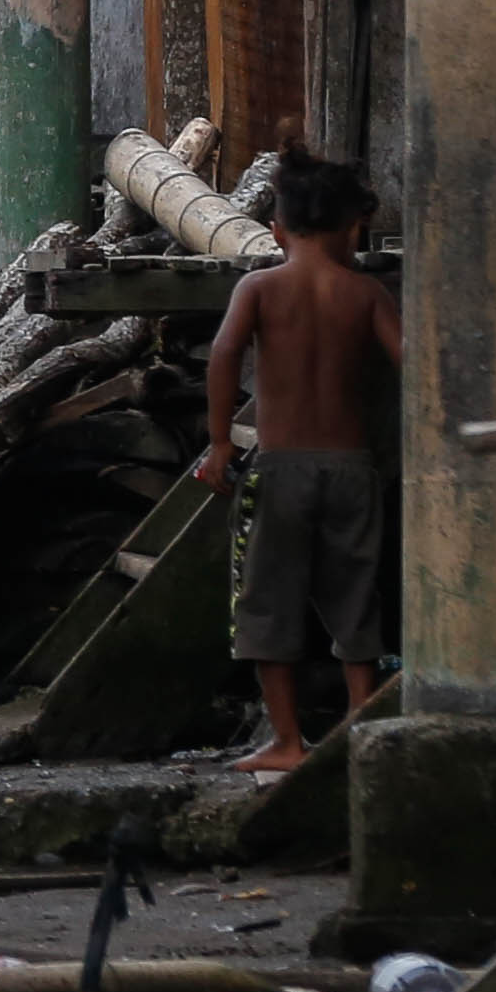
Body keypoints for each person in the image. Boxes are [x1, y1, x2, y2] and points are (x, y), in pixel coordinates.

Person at [195, 151, 403, 772]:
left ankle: (288, 742)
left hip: (279, 470)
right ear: (352, 229)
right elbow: (413, 364)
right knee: (355, 596)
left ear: (277, 230)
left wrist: (221, 442)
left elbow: (223, 355)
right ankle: (359, 726)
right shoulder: (366, 292)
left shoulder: (258, 287)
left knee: (266, 601)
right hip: (352, 469)